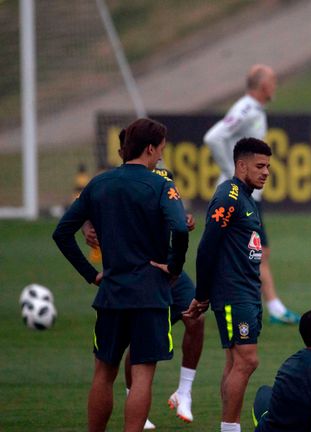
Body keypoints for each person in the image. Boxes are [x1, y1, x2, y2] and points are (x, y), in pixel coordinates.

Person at [52, 118, 189, 432]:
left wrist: (92, 275)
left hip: (112, 292)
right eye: (160, 152)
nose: (161, 158)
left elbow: (62, 233)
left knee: (103, 373)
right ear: (150, 148)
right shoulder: (161, 185)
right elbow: (180, 228)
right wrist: (175, 266)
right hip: (150, 296)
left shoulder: (99, 183)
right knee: (141, 376)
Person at [81, 167, 204, 429]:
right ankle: (133, 400)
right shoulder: (114, 181)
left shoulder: (162, 177)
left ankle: (184, 392)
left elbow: (171, 212)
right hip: (139, 272)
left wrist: (184, 219)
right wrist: (86, 227)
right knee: (137, 345)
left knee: (196, 316)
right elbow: (85, 208)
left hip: (166, 268)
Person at [184, 137, 272, 432]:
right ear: (240, 165)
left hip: (246, 291)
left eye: (268, 166)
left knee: (235, 361)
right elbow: (207, 247)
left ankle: (228, 427)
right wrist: (203, 294)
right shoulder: (229, 196)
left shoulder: (246, 197)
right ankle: (230, 428)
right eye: (260, 166)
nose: (266, 172)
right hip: (234, 293)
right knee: (247, 361)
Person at [204, 64, 299, 325]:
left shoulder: (255, 110)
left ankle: (271, 307)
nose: (276, 86)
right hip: (237, 196)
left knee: (258, 250)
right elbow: (213, 137)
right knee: (249, 251)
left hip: (248, 195)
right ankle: (252, 306)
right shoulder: (244, 109)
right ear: (263, 85)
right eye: (273, 81)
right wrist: (234, 172)